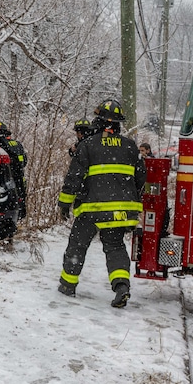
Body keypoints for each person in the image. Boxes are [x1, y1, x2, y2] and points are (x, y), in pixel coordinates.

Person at [56, 99, 146, 308]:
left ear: (98, 121)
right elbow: (141, 178)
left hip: (91, 209)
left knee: (78, 245)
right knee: (115, 247)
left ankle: (67, 285)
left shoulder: (88, 145)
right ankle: (121, 286)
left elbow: (74, 178)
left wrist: (64, 204)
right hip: (120, 211)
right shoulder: (130, 146)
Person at [0, 120, 28, 218]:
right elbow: (24, 162)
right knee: (19, 207)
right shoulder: (17, 144)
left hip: (3, 182)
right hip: (19, 182)